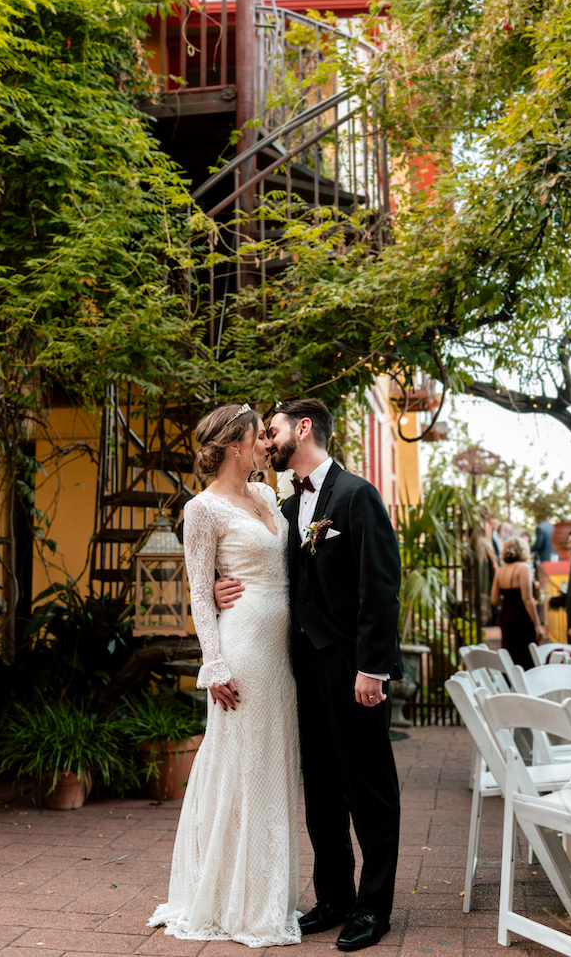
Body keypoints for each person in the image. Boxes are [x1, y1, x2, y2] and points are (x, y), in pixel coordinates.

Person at [215, 397, 402, 952]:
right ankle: (335, 898)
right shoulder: (286, 505)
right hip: (302, 666)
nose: (267, 441)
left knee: (367, 786)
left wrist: (372, 667)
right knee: (321, 788)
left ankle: (373, 909)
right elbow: (261, 567)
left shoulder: (356, 495)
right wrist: (221, 584)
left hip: (352, 667)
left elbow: (381, 587)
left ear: (303, 429)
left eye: (271, 431)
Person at [148, 403, 301, 947]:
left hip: (281, 650)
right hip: (244, 650)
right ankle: (234, 899)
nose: (268, 443)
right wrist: (212, 664)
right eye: (260, 436)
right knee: (242, 765)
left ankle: (264, 889)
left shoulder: (264, 496)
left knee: (272, 764)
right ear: (234, 445)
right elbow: (197, 588)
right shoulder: (202, 510)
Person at [491, 536, 545, 670]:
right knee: (526, 658)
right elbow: (527, 599)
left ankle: (511, 686)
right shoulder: (523, 568)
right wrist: (538, 625)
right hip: (522, 618)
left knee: (510, 656)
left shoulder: (500, 571)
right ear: (523, 550)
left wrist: (509, 599)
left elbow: (494, 599)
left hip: (506, 616)